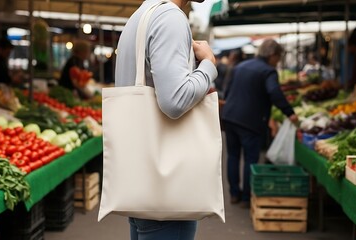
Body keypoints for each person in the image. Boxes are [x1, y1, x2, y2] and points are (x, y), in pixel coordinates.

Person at [114, 0, 217, 239]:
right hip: (167, 190)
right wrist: (208, 66)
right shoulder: (170, 17)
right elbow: (174, 100)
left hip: (141, 181)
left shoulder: (139, 17)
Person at [221, 39, 298, 208]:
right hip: (251, 121)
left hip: (230, 116)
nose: (278, 62)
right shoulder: (268, 71)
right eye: (278, 58)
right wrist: (289, 113)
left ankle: (234, 193)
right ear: (272, 55)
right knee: (251, 159)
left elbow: (227, 91)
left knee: (233, 156)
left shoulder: (240, 66)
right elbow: (274, 92)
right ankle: (246, 198)